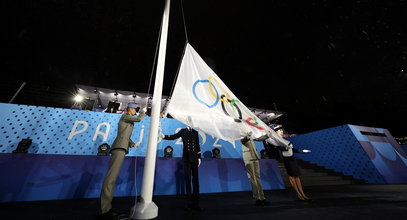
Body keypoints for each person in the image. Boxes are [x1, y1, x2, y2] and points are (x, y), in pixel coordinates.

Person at [99, 103, 146, 220]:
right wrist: (143, 113)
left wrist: (132, 143)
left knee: (112, 179)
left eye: (137, 110)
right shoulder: (125, 116)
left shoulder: (127, 120)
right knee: (111, 178)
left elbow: (124, 135)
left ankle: (106, 208)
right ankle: (104, 210)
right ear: (130, 109)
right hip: (118, 148)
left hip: (121, 148)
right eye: (135, 109)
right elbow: (139, 119)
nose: (136, 111)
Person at [161, 124, 202, 211]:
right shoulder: (183, 131)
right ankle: (189, 204)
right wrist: (164, 136)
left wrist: (199, 157)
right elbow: (173, 136)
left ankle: (196, 204)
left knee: (195, 181)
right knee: (187, 181)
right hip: (187, 159)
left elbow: (197, 145)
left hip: (195, 158)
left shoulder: (195, 132)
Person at [267, 125, 311, 202]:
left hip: (292, 158)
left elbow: (292, 149)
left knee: (297, 176)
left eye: (281, 129)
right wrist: (284, 147)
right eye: (279, 130)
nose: (281, 131)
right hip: (287, 159)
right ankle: (298, 195)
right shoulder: (276, 140)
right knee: (292, 177)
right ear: (276, 132)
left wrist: (302, 151)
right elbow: (277, 148)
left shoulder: (284, 139)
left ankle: (303, 194)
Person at [240, 131, 271, 206]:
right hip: (248, 158)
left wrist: (267, 135)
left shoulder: (250, 134)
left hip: (255, 157)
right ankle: (258, 198)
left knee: (258, 178)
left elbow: (259, 138)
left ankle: (262, 197)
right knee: (253, 179)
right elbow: (243, 140)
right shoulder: (240, 134)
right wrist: (248, 136)